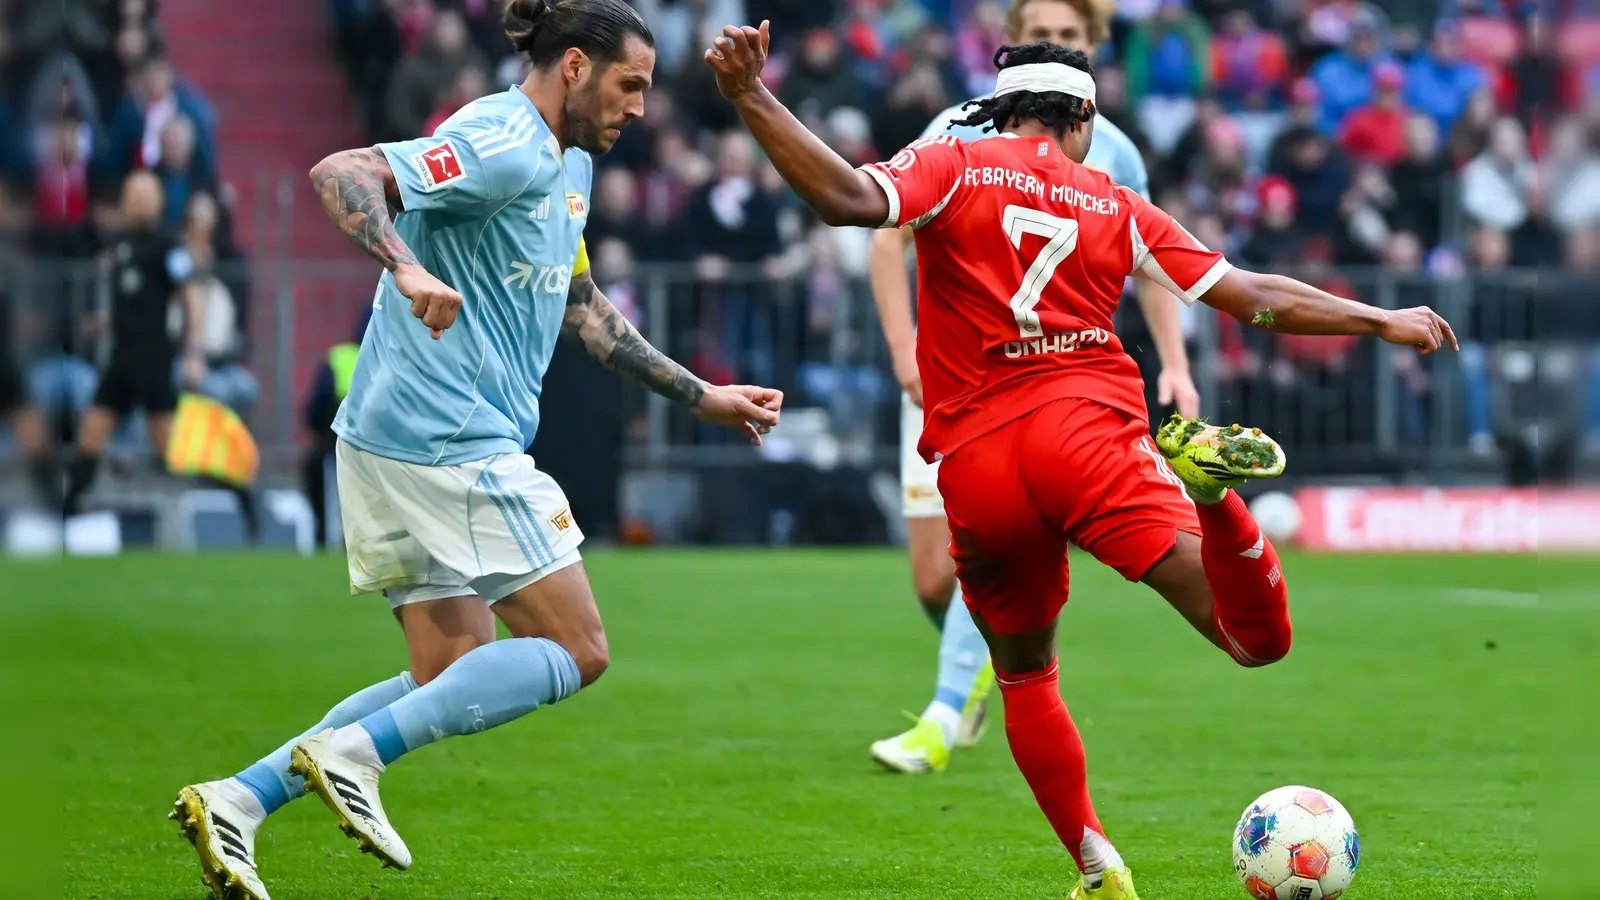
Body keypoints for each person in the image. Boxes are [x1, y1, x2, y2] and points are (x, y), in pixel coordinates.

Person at [707, 26, 1453, 899]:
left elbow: (844, 199)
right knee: (1256, 641)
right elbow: (1251, 297)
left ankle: (1098, 867)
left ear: (1001, 110)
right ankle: (1212, 497)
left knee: (1025, 673)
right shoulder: (1114, 201)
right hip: (1088, 438)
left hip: (979, 466)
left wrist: (751, 95)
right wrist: (1379, 318)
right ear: (1084, 116)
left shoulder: (949, 163)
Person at [168, 4, 783, 900]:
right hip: (445, 437)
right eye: (631, 85)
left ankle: (240, 800)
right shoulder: (502, 137)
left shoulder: (567, 161)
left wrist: (703, 394)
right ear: (574, 65)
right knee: (579, 648)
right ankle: (352, 757)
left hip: (395, 438)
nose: (642, 108)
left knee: (447, 675)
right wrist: (404, 265)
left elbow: (582, 310)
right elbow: (344, 171)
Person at [864, 0, 1202, 776]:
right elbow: (889, 229)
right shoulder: (959, 128)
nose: (1057, 44)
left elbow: (1159, 265)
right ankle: (983, 670)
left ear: (1092, 53)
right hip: (946, 379)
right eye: (1041, 31)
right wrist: (900, 347)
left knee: (1014, 545)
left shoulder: (1113, 151)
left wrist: (1176, 364)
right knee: (932, 578)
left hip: (1049, 397)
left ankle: (947, 712)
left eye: (1073, 36)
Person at [63, 171, 208, 519]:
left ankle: (231, 494)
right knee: (91, 434)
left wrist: (193, 353)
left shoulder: (168, 245)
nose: (139, 201)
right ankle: (66, 515)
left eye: (146, 194)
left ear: (159, 201)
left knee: (171, 447)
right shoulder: (118, 244)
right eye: (133, 194)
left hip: (152, 358)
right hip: (120, 357)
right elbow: (133, 297)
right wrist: (107, 323)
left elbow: (192, 297)